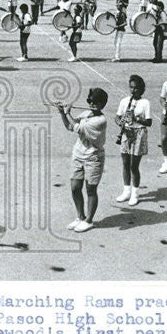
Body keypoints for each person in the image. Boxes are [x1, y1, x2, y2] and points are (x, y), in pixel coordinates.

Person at [55, 87, 108, 233]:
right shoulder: (86, 113)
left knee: (91, 189)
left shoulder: (100, 120)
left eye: (96, 102)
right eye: (90, 101)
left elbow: (78, 128)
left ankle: (89, 220)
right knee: (75, 187)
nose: (92, 104)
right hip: (78, 154)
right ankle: (80, 216)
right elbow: (69, 126)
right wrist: (62, 114)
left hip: (93, 157)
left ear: (103, 105)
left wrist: (68, 112)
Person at [115, 75, 152, 207]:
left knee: (133, 166)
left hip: (139, 133)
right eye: (131, 87)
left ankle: (135, 193)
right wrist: (121, 123)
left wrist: (136, 119)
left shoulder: (145, 103)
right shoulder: (125, 101)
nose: (133, 90)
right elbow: (117, 116)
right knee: (125, 163)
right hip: (127, 132)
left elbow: (149, 122)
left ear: (141, 89)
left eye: (136, 88)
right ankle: (126, 191)